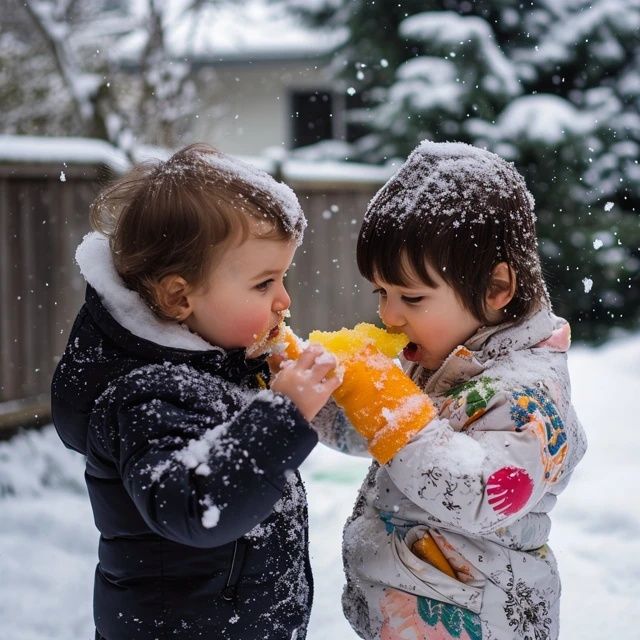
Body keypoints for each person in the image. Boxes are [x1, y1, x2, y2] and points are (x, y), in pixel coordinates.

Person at [50, 143, 340, 640]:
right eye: (264, 283)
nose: (284, 300)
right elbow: (196, 508)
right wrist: (283, 412)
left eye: (283, 277)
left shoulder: (206, 365)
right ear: (180, 297)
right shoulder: (147, 396)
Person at [313, 141, 587, 639]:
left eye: (411, 297)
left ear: (496, 288)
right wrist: (311, 394)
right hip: (413, 609)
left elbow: (481, 494)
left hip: (477, 620)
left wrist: (391, 409)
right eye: (382, 293)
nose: (389, 316)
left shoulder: (529, 397)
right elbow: (376, 436)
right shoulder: (445, 360)